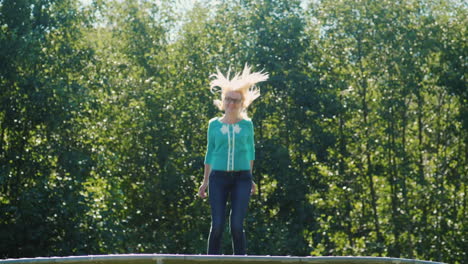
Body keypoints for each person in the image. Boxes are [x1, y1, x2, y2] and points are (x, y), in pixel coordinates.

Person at [198, 64, 268, 255]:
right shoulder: (213, 125)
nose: (231, 104)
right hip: (218, 178)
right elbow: (210, 153)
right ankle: (211, 260)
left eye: (236, 101)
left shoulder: (247, 125)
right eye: (228, 99)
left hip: (241, 178)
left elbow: (250, 152)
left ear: (242, 103)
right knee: (218, 225)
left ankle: (241, 260)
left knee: (237, 225)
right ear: (223, 100)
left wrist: (250, 177)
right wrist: (205, 182)